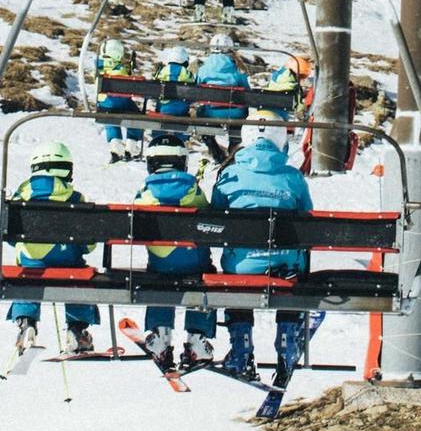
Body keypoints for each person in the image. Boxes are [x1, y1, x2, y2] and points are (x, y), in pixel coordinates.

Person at [212, 133, 314, 380]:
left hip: (242, 266)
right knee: (293, 272)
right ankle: (288, 339)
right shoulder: (293, 177)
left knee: (236, 278)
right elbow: (308, 215)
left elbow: (213, 217)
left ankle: (241, 348)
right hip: (286, 263)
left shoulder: (230, 175)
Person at [5, 140, 100, 354]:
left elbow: (12, 239)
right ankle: (76, 330)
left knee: (26, 273)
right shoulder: (76, 198)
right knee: (78, 275)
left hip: (31, 264)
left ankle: (26, 323)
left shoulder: (20, 197)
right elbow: (88, 245)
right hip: (68, 265)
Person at [134, 140, 218, 373]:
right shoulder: (193, 192)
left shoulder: (144, 194)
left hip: (161, 266)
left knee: (158, 276)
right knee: (205, 275)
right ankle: (197, 337)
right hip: (195, 265)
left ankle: (160, 334)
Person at [193, 40, 250, 165]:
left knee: (200, 113)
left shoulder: (204, 69)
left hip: (212, 113)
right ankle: (233, 147)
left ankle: (215, 150)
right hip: (235, 114)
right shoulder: (237, 70)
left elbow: (196, 88)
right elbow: (247, 91)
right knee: (242, 113)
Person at [96, 34, 143, 163]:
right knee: (136, 115)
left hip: (104, 102)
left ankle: (115, 144)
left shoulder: (99, 65)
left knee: (109, 117)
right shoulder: (119, 68)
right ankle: (131, 144)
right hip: (120, 101)